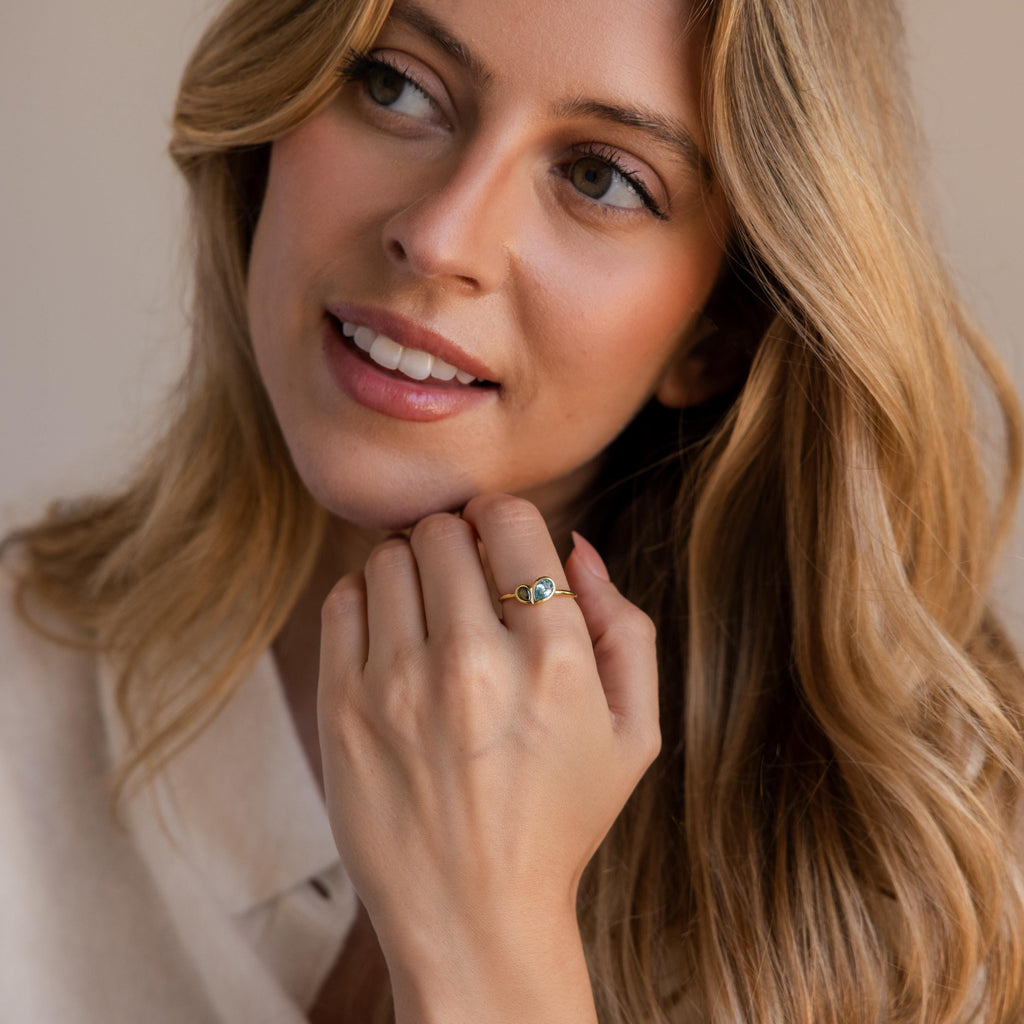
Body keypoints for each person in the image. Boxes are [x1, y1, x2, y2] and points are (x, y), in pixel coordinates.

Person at [2, 0, 1023, 1020]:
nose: (440, 235)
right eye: (394, 86)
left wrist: (491, 954)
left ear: (716, 330)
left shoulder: (931, 868)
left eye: (598, 178)